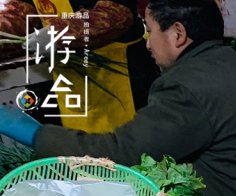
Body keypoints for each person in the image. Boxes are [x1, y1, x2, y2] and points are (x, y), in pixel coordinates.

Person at [0, 0, 236, 196]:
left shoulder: (185, 88)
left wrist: (35, 133)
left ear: (177, 34)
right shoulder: (226, 60)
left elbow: (120, 154)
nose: (148, 43)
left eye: (149, 30)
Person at [0, 0, 158, 132]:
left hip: (120, 73)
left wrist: (58, 34)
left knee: (127, 150)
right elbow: (23, 10)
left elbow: (116, 14)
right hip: (70, 75)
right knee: (82, 154)